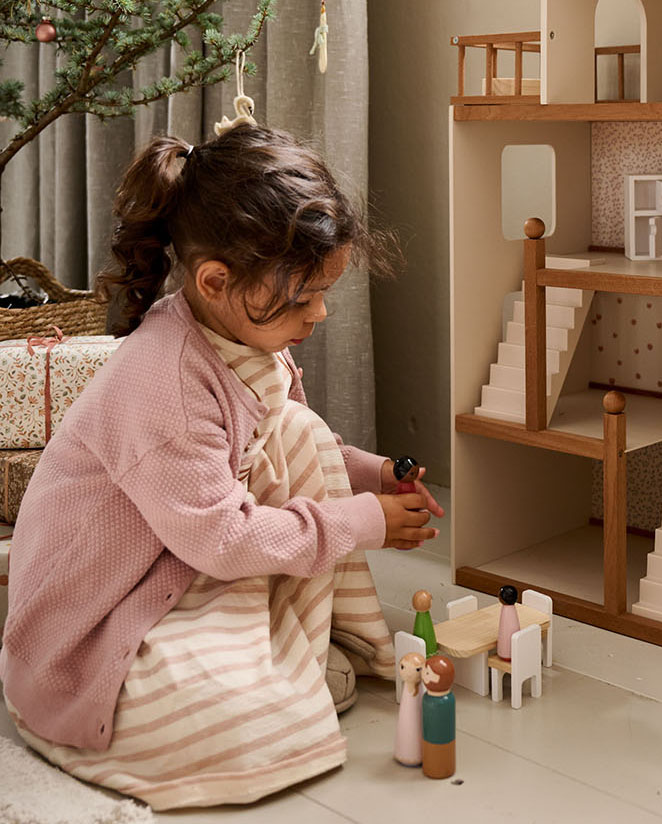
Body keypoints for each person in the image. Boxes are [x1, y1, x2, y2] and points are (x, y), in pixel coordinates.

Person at [0, 124, 444, 811]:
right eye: (303, 298)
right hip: (93, 629)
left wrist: (369, 476)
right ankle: (261, 676)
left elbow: (286, 445)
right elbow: (226, 540)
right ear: (214, 280)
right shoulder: (164, 384)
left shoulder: (239, 336)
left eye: (324, 293)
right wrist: (363, 522)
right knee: (236, 726)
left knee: (298, 426)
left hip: (174, 563)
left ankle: (306, 651)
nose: (319, 314)